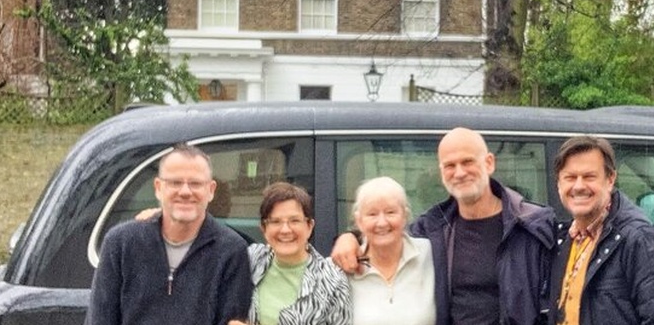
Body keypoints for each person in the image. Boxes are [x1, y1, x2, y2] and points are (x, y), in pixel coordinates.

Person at [333, 127, 555, 325]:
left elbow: (556, 300)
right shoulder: (433, 228)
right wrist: (349, 238)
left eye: (467, 162)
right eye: (450, 165)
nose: (459, 172)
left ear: (489, 163)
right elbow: (387, 233)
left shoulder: (531, 227)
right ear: (442, 173)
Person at [86, 143, 252, 325]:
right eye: (175, 182)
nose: (185, 191)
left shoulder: (231, 250)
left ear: (211, 190)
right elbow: (99, 320)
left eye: (195, 183)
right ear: (158, 187)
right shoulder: (121, 243)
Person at [549, 135, 654, 325]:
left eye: (589, 177)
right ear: (558, 183)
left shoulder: (641, 241)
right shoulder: (565, 239)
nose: (579, 186)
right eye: (570, 177)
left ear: (610, 179)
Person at [229, 182, 351, 325]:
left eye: (294, 220)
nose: (285, 230)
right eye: (275, 221)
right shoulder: (250, 260)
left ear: (309, 226)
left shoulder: (332, 280)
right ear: (263, 228)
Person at [348, 176, 435, 325]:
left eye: (390, 212)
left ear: (405, 216)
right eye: (372, 214)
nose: (382, 223)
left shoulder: (430, 253)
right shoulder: (344, 267)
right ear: (359, 221)